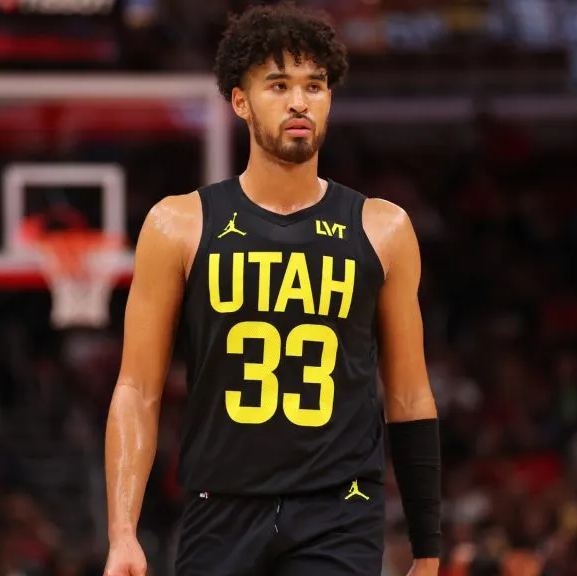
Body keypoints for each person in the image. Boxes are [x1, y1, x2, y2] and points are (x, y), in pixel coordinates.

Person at [104, 3, 441, 575]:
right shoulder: (177, 225)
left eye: (315, 85)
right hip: (220, 508)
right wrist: (122, 534)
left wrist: (428, 547)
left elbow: (409, 397)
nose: (299, 102)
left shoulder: (383, 229)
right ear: (240, 100)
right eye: (279, 85)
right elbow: (137, 389)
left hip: (341, 511)